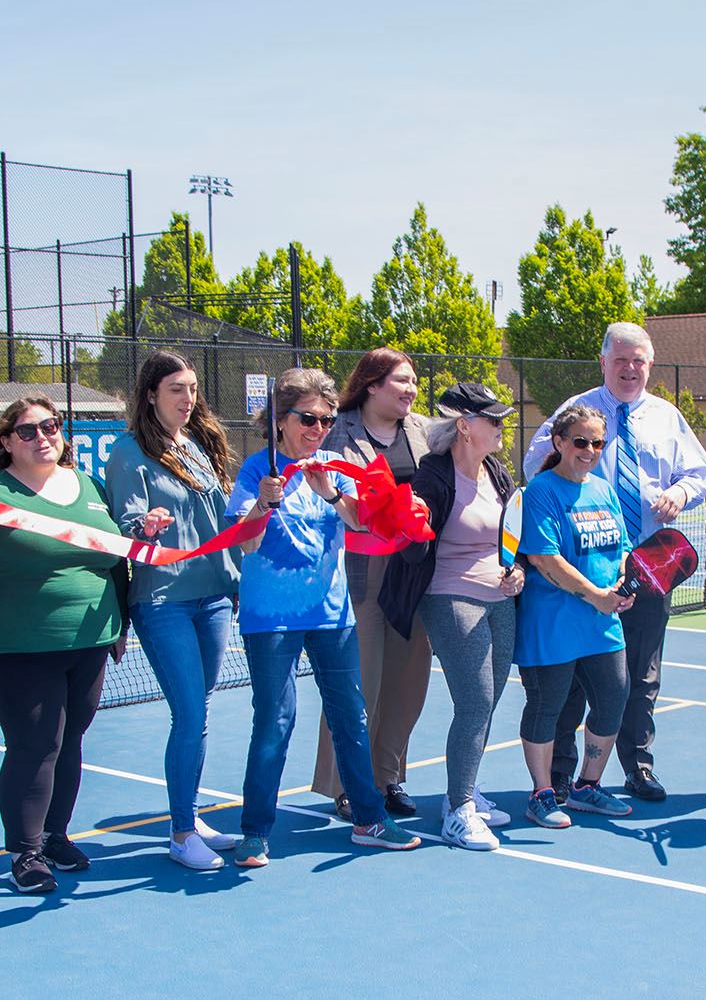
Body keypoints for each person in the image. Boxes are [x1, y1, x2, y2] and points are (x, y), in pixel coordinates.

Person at [0, 394, 123, 895]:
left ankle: (55, 836)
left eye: (50, 426)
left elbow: (114, 553)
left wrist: (119, 623)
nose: (42, 437)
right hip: (17, 644)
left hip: (90, 640)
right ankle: (25, 851)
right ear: (8, 442)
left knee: (69, 740)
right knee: (35, 745)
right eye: (28, 431)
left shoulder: (88, 485)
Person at [224, 367, 421, 867]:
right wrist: (263, 504)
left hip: (332, 615)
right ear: (279, 420)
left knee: (351, 716)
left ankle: (369, 819)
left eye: (326, 420)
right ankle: (255, 831)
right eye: (308, 419)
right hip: (271, 620)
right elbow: (245, 544)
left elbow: (360, 521)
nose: (318, 429)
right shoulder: (256, 470)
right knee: (275, 720)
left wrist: (329, 491)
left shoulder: (332, 465)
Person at [525, 322, 706, 803]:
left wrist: (679, 492)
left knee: (638, 677)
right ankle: (560, 776)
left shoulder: (667, 417)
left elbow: (701, 473)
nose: (630, 369)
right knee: (569, 683)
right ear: (603, 362)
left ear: (650, 364)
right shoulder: (575, 411)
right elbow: (534, 465)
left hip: (644, 565)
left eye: (639, 361)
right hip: (580, 570)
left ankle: (637, 766)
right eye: (621, 359)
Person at [107, 350, 247, 872]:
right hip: (163, 599)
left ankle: (187, 813)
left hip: (214, 597)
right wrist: (146, 527)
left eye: (192, 389)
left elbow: (221, 521)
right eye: (175, 389)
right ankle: (183, 834)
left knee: (199, 712)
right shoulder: (128, 452)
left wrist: (235, 579)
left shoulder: (197, 447)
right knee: (189, 712)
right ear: (150, 395)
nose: (188, 399)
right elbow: (126, 526)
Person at [378, 382, 524, 850]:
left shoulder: (497, 472)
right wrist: (411, 524)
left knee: (489, 700)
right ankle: (459, 811)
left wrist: (517, 571)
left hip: (500, 597)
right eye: (493, 420)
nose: (501, 427)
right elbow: (414, 545)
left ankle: (463, 791)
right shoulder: (432, 477)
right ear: (464, 427)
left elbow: (511, 534)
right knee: (475, 701)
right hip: (448, 595)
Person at [313, 349, 432, 821]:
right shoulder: (335, 431)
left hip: (412, 574)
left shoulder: (423, 430)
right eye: (402, 380)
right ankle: (350, 785)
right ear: (371, 384)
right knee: (359, 685)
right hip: (357, 575)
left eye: (414, 381)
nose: (411, 389)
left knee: (407, 684)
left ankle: (387, 777)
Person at [514, 402, 637, 829]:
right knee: (546, 707)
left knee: (613, 699)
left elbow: (622, 548)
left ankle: (587, 785)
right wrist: (596, 595)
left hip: (601, 624)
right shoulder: (541, 491)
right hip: (553, 624)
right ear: (560, 442)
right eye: (581, 442)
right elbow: (544, 558)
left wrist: (623, 581)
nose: (590, 451)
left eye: (598, 443)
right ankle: (542, 793)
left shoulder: (603, 489)